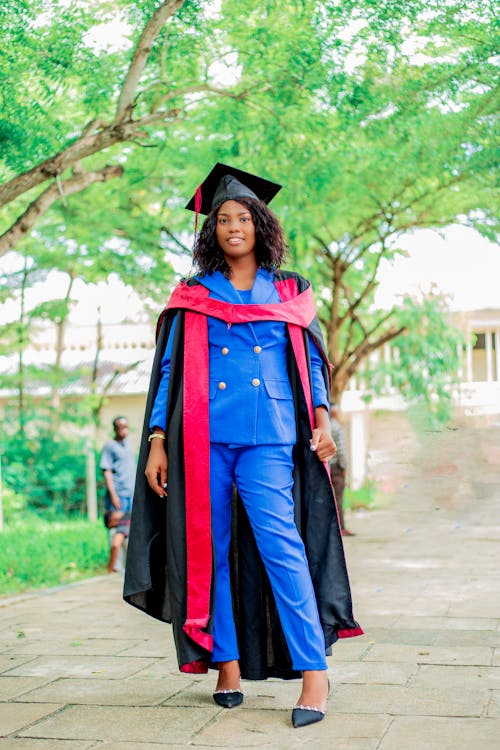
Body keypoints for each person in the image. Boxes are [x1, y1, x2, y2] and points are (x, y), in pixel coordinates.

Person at [124, 163, 363, 729]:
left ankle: (314, 671)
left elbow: (310, 364)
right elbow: (169, 374)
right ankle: (226, 664)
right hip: (202, 437)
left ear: (260, 225)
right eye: (224, 219)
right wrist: (158, 440)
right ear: (213, 231)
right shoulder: (193, 294)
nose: (234, 227)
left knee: (282, 548)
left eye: (244, 218)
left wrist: (323, 423)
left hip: (270, 435)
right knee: (213, 553)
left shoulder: (290, 289)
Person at [100, 417, 136, 514]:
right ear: (115, 429)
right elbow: (107, 472)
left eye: (126, 427)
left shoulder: (128, 445)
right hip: (119, 495)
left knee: (130, 526)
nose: (124, 430)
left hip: (131, 494)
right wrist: (113, 496)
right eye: (121, 427)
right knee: (118, 527)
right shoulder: (110, 446)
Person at [329, 403, 354, 536]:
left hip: (325, 467)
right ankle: (340, 528)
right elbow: (341, 451)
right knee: (338, 499)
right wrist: (344, 467)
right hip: (336, 468)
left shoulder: (321, 425)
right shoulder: (336, 428)